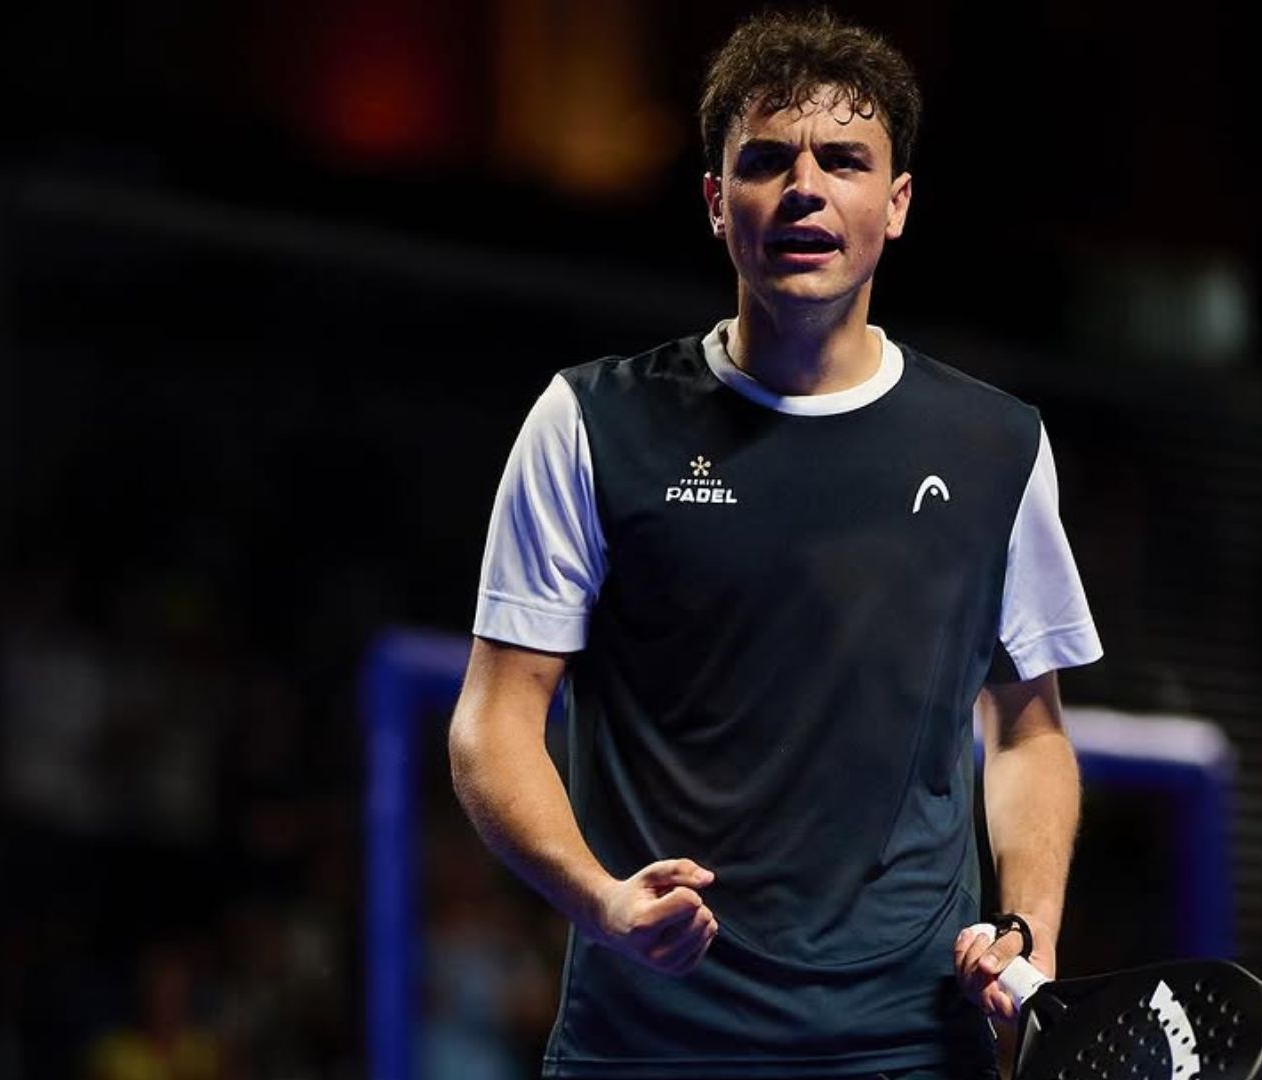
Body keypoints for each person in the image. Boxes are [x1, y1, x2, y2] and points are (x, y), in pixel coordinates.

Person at [449, 9, 1101, 1078]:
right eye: (766, 160)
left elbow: (1029, 728)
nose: (805, 188)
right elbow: (494, 721)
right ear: (717, 201)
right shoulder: (590, 424)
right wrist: (603, 902)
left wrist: (1030, 927)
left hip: (905, 1045)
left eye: (844, 160)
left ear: (896, 204)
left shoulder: (997, 447)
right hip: (649, 1046)